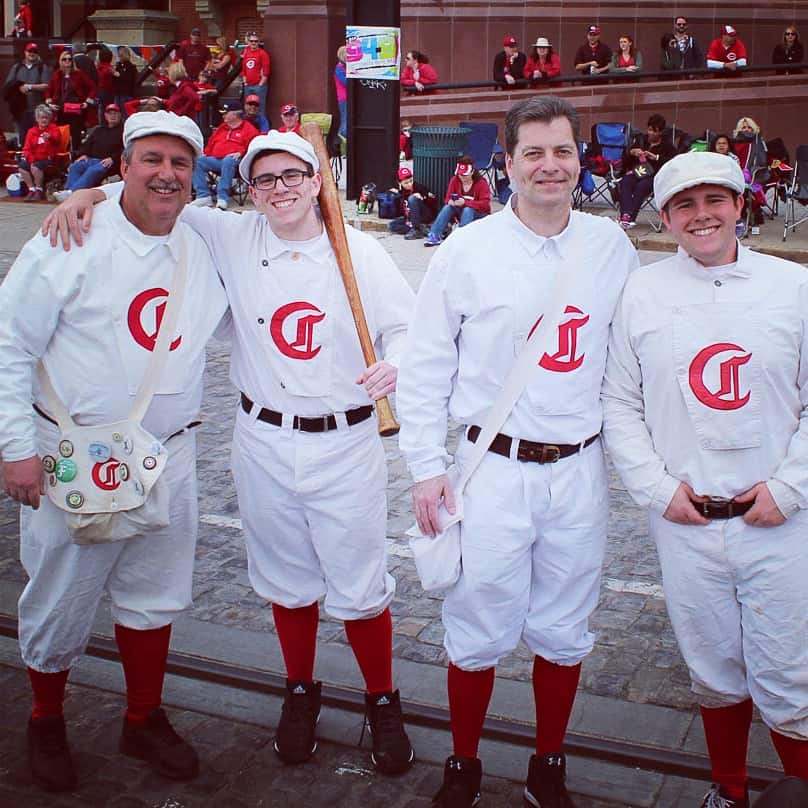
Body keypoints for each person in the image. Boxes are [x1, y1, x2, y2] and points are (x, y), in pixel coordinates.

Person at [45, 128, 417, 779]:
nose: (281, 189)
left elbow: (409, 329)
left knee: (360, 585)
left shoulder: (358, 252)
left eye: (293, 175)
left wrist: (396, 364)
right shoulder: (233, 237)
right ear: (251, 190)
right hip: (264, 440)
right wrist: (88, 195)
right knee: (286, 579)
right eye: (266, 179)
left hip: (347, 440)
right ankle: (300, 690)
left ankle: (382, 699)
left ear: (315, 178)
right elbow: (160, 192)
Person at [397, 95, 638, 808]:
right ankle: (465, 761)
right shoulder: (468, 251)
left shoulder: (609, 248)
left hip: (577, 469)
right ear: (505, 164)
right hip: (492, 469)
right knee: (475, 623)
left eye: (561, 151)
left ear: (579, 159)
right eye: (532, 153)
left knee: (565, 627)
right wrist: (426, 468)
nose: (549, 166)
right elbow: (427, 367)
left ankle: (549, 763)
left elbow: (640, 347)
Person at [0, 110, 228, 794]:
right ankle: (45, 719)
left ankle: (143, 716)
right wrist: (15, 450)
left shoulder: (203, 240)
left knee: (154, 593)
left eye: (179, 163)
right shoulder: (68, 238)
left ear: (195, 175)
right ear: (121, 166)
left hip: (169, 453)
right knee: (61, 594)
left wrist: (89, 189)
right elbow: (11, 343)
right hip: (75, 450)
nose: (166, 174)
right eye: (151, 159)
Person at [602, 150, 808, 808]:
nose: (702, 215)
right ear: (665, 216)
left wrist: (792, 488)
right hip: (689, 523)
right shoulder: (642, 291)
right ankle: (729, 789)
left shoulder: (792, 287)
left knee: (788, 673)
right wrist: (658, 492)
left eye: (714, 200)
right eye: (684, 205)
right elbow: (618, 403)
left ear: (740, 205)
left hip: (779, 520)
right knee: (714, 668)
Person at [190, 100, 257, 210]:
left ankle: (222, 197)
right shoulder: (222, 127)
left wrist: (242, 153)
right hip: (216, 160)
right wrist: (205, 154)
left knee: (228, 160)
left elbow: (254, 147)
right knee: (197, 161)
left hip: (237, 162)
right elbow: (211, 143)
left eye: (226, 113)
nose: (223, 115)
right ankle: (203, 196)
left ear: (235, 114)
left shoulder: (249, 129)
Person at [53, 102, 123, 201]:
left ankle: (71, 193)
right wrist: (83, 154)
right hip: (91, 159)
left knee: (93, 170)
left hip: (107, 162)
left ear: (120, 115)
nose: (112, 116)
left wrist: (113, 158)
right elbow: (86, 145)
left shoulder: (123, 131)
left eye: (115, 113)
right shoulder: (99, 130)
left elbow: (125, 149)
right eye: (110, 113)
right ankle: (70, 192)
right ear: (105, 115)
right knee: (75, 166)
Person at [617, 113, 675, 228]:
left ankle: (630, 217)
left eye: (655, 131)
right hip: (639, 172)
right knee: (626, 181)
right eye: (649, 130)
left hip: (655, 176)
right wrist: (632, 153)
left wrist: (656, 157)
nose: (651, 133)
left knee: (642, 187)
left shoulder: (667, 145)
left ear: (661, 132)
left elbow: (673, 162)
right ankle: (626, 215)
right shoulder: (642, 140)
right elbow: (625, 159)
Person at [423, 156, 491, 247]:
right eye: (460, 174)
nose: (462, 177)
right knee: (448, 207)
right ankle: (434, 235)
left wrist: (465, 202)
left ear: (472, 172)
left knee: (468, 209)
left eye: (464, 174)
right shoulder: (455, 180)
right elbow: (447, 199)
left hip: (479, 214)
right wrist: (450, 201)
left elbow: (485, 205)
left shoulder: (481, 183)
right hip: (460, 211)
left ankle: (462, 238)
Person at [46, 49, 97, 153]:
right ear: (61, 61)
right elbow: (49, 90)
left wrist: (87, 102)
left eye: (69, 59)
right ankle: (64, 158)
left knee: (76, 136)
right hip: (61, 110)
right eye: (64, 59)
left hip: (76, 110)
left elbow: (93, 87)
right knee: (62, 135)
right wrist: (49, 103)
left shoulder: (79, 74)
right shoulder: (57, 75)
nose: (67, 61)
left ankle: (76, 156)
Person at [3, 42, 52, 146]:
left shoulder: (42, 67)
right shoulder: (17, 67)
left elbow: (46, 86)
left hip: (38, 111)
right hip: (20, 111)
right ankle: (25, 159)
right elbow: (8, 85)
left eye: (35, 52)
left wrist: (30, 87)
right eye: (30, 51)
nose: (32, 54)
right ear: (25, 52)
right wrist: (18, 87)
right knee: (24, 139)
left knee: (39, 140)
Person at [18, 103, 62, 201]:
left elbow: (57, 140)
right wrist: (31, 159)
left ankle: (39, 190)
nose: (44, 120)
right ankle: (31, 189)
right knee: (22, 167)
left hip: (48, 159)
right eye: (41, 118)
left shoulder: (53, 129)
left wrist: (50, 138)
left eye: (46, 118)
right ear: (37, 119)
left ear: (49, 119)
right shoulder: (31, 131)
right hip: (34, 158)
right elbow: (26, 149)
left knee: (35, 167)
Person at [387, 166, 438, 239]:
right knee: (391, 225)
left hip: (424, 216)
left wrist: (423, 196)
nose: (409, 184)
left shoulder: (418, 187)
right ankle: (421, 229)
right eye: (406, 183)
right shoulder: (402, 191)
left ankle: (416, 230)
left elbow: (431, 199)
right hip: (410, 218)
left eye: (411, 181)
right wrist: (398, 192)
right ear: (399, 183)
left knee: (412, 199)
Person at [240, 32, 270, 118]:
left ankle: (262, 130)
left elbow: (266, 71)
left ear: (258, 42)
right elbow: (244, 68)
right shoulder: (247, 53)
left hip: (258, 86)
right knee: (247, 109)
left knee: (260, 109)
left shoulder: (262, 54)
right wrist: (245, 82)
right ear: (248, 42)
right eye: (251, 41)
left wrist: (261, 84)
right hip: (248, 85)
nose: (253, 43)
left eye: (256, 41)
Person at [112, 46, 138, 113]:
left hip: (126, 93)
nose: (120, 58)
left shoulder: (131, 67)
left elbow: (130, 79)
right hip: (117, 92)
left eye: (121, 55)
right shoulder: (118, 66)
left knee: (125, 112)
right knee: (116, 111)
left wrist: (120, 75)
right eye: (119, 56)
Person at [334, 45, 347, 139]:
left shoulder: (344, 67)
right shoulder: (339, 68)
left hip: (347, 98)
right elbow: (346, 82)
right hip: (344, 98)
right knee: (345, 121)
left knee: (346, 121)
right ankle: (339, 142)